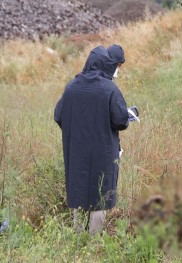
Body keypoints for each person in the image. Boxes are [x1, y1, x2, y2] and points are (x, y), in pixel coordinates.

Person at [54, 44, 129, 235]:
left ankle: (78, 236)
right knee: (101, 190)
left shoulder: (71, 87)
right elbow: (121, 121)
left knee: (77, 186)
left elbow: (59, 115)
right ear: (104, 63)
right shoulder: (109, 89)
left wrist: (76, 130)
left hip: (76, 149)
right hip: (102, 150)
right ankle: (94, 240)